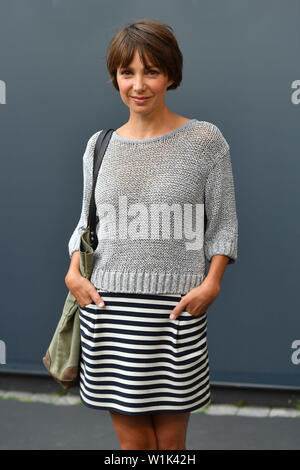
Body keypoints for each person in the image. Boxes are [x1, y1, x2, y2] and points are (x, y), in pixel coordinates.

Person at [65, 18, 238, 451]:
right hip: (107, 311)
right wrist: (74, 274)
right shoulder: (98, 144)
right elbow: (87, 224)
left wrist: (211, 284)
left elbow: (223, 225)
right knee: (134, 445)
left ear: (171, 75)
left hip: (174, 313)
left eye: (151, 71)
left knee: (171, 447)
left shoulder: (204, 141)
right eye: (127, 73)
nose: (138, 85)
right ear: (116, 78)